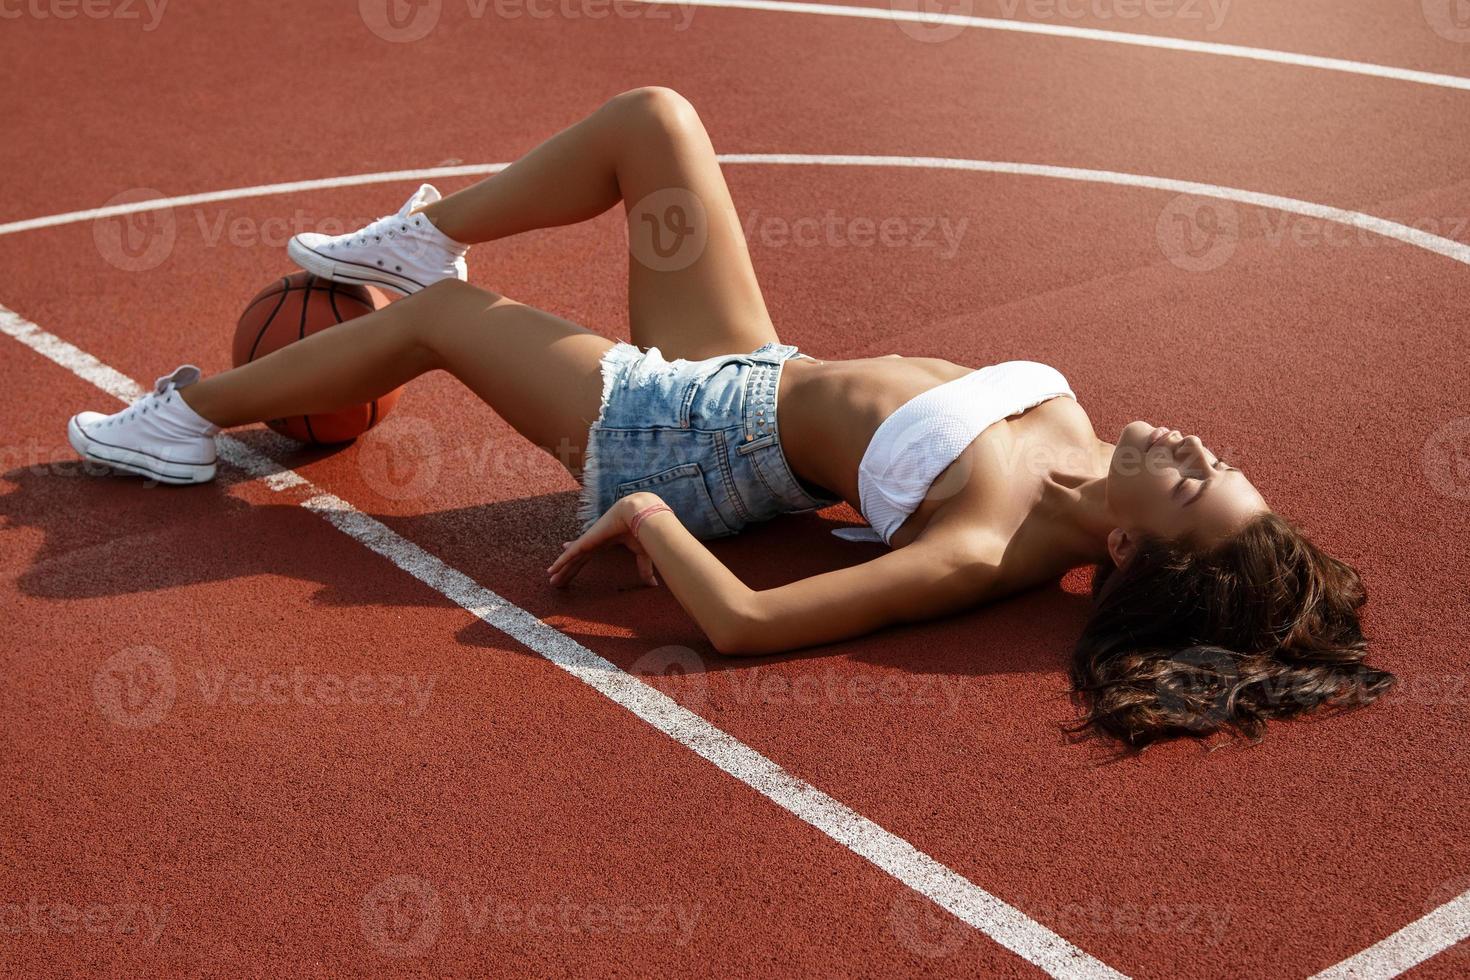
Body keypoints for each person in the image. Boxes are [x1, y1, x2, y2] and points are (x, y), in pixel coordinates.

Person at [65, 87, 1394, 747]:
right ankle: (422, 237)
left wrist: (646, 512)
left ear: (1137, 557)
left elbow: (750, 625)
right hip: (750, 368)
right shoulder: (1088, 451)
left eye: (1188, 483)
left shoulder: (991, 544)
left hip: (681, 441)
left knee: (438, 331)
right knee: (657, 121)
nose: (1185, 449)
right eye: (1214, 461)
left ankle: (191, 425)